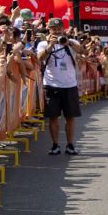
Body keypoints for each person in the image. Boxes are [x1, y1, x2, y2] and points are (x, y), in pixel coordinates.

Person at [36, 18, 85, 155]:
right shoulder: (43, 44)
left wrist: (69, 43)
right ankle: (55, 144)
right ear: (49, 30)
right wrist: (50, 45)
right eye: (54, 29)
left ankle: (70, 145)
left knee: (70, 117)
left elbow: (82, 51)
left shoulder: (71, 42)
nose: (57, 32)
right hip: (51, 85)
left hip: (70, 85)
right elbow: (39, 58)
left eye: (59, 29)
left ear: (63, 29)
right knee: (53, 117)